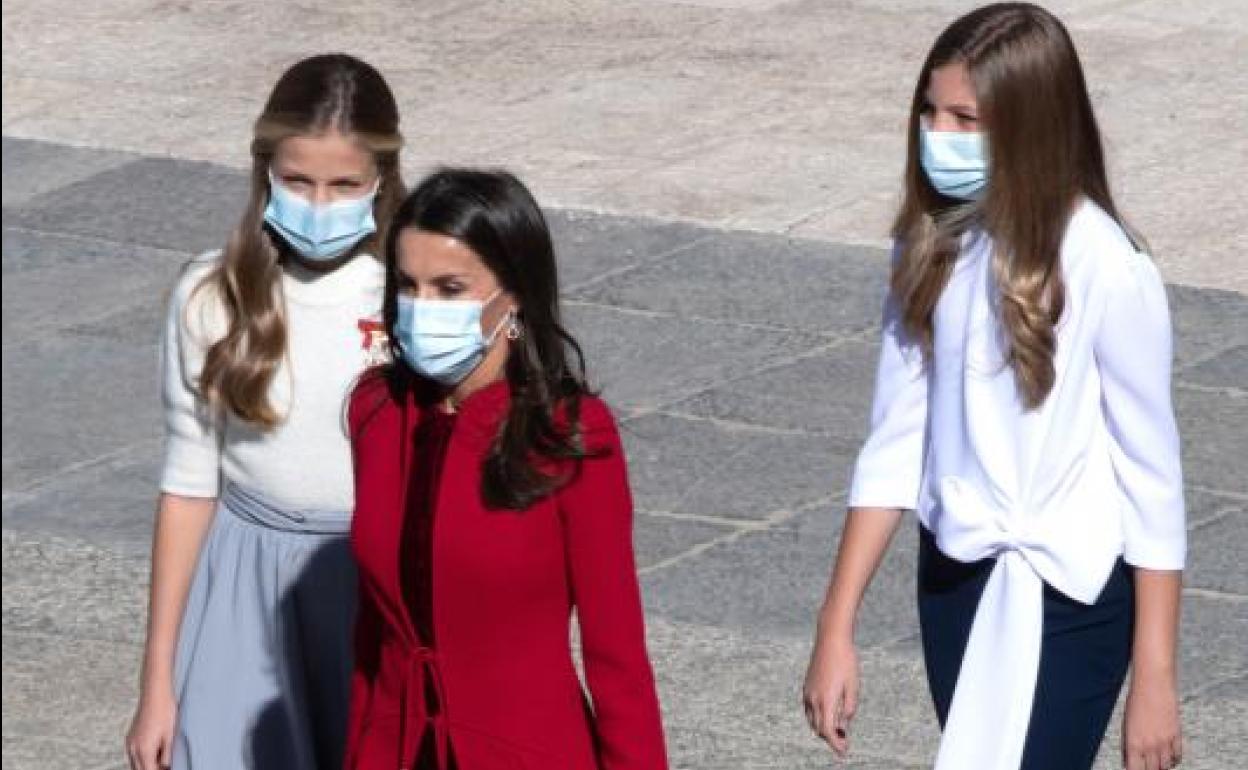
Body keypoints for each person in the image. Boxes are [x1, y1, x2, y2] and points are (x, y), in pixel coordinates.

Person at [801, 5, 1185, 770]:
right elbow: (894, 441)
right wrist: (835, 629)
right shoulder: (929, 247)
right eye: (931, 112)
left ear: (1029, 126)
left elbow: (1152, 479)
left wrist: (1156, 675)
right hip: (955, 581)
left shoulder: (1107, 267)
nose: (939, 135)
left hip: (1071, 595)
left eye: (966, 119)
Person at [125, 54, 404, 770]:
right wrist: (159, 681)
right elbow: (189, 486)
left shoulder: (410, 298)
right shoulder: (211, 298)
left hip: (378, 581)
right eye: (297, 181)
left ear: (382, 178)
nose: (319, 203)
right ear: (264, 173)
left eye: (344, 184)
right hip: (245, 584)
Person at [345, 169, 669, 770]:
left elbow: (617, 653)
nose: (422, 308)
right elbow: (372, 637)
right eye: (409, 287)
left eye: (450, 288)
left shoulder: (569, 433)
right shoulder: (376, 411)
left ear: (513, 293)